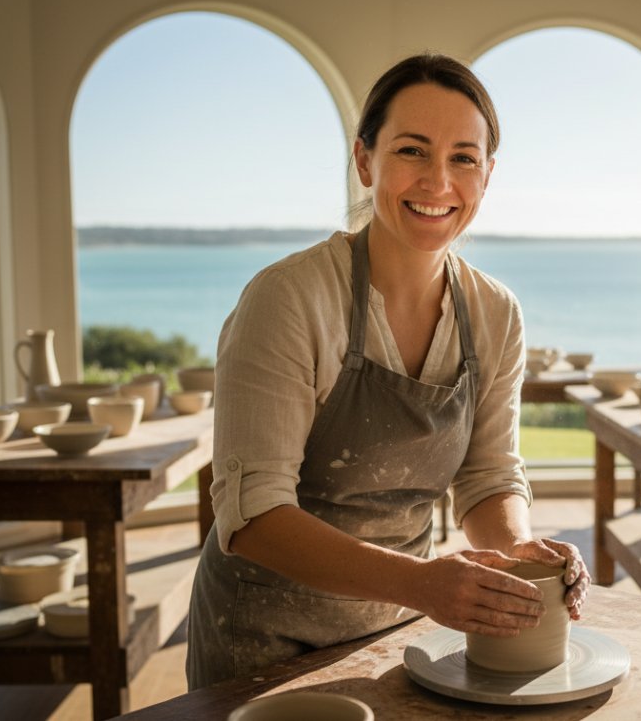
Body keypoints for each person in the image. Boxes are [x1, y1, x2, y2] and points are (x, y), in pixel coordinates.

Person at [186, 53, 590, 689]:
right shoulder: (288, 298)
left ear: (487, 175)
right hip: (262, 638)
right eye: (411, 151)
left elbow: (487, 474)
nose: (438, 181)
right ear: (365, 161)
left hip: (399, 635)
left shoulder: (495, 313)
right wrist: (421, 583)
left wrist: (516, 549)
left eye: (463, 158)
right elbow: (253, 515)